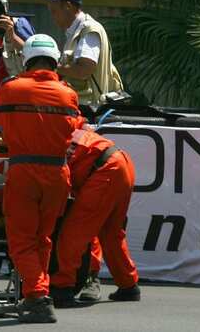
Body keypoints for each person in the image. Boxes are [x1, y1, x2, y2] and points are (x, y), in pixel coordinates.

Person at [0, 34, 82, 323]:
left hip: (24, 172)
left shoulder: (10, 88)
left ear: (27, 58)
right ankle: (36, 292)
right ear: (54, 60)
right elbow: (75, 126)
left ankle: (37, 296)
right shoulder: (68, 93)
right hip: (58, 173)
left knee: (22, 241)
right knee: (43, 238)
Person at [49, 126, 140, 306]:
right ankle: (128, 285)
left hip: (104, 170)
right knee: (111, 233)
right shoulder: (68, 129)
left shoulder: (47, 143)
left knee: (73, 233)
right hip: (121, 163)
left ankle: (62, 288)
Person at [41, 0, 124, 106]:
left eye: (54, 11)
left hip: (89, 110)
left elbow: (84, 70)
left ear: (68, 6)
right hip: (82, 107)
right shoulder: (77, 31)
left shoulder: (88, 29)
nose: (53, 17)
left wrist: (52, 68)